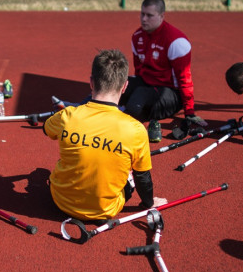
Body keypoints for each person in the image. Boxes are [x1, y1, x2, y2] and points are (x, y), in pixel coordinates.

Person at [44, 49, 167, 223]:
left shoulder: (67, 115)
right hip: (105, 211)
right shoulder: (136, 129)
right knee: (130, 173)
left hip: (61, 203)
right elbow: (143, 177)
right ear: (124, 86)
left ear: (91, 83)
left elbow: (46, 129)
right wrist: (149, 203)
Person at [121, 0, 206, 143]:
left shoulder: (176, 41)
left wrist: (189, 112)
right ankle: (85, 108)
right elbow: (138, 70)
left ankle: (121, 126)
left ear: (161, 16)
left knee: (139, 96)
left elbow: (184, 79)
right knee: (119, 83)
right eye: (142, 14)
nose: (144, 19)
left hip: (170, 93)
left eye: (149, 15)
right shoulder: (137, 36)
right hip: (148, 85)